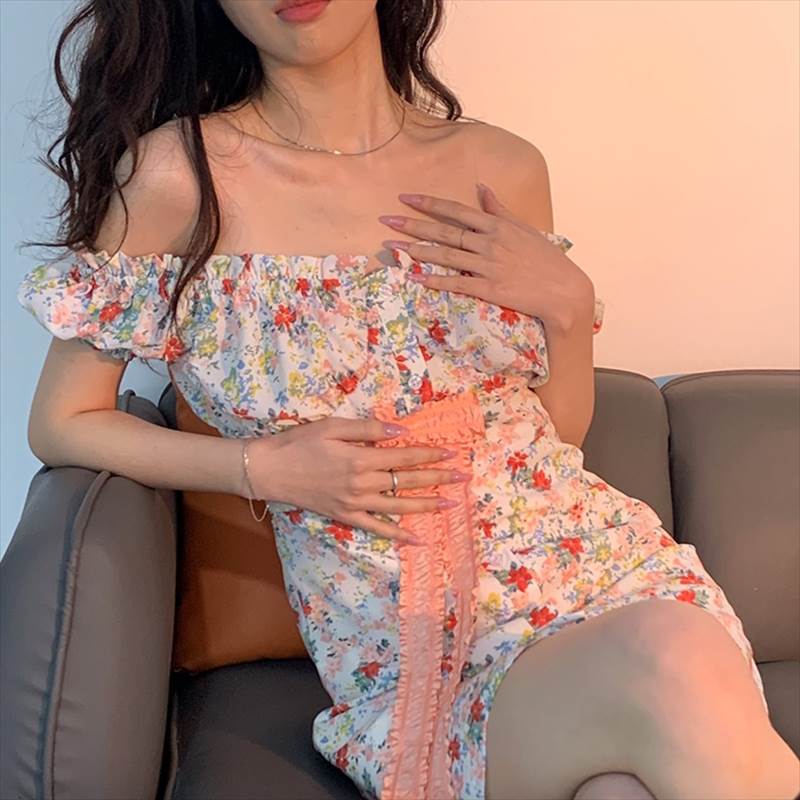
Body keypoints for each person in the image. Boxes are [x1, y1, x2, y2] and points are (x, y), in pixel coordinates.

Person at [15, 1, 799, 798]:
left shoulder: (501, 167)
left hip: (606, 581)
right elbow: (64, 420)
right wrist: (262, 467)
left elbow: (554, 437)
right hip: (426, 657)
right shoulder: (177, 178)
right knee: (672, 663)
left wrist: (568, 311)